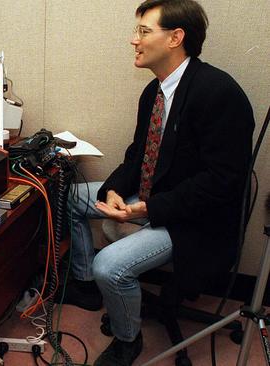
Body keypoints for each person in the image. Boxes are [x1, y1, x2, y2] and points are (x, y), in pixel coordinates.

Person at [65, 1, 254, 365]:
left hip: (195, 221)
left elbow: (222, 182)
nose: (132, 40)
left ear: (175, 38)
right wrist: (116, 191)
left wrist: (148, 208)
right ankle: (85, 285)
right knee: (69, 196)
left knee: (112, 266)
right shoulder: (154, 93)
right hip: (156, 198)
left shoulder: (218, 93)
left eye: (143, 31)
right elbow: (139, 154)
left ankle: (127, 340)